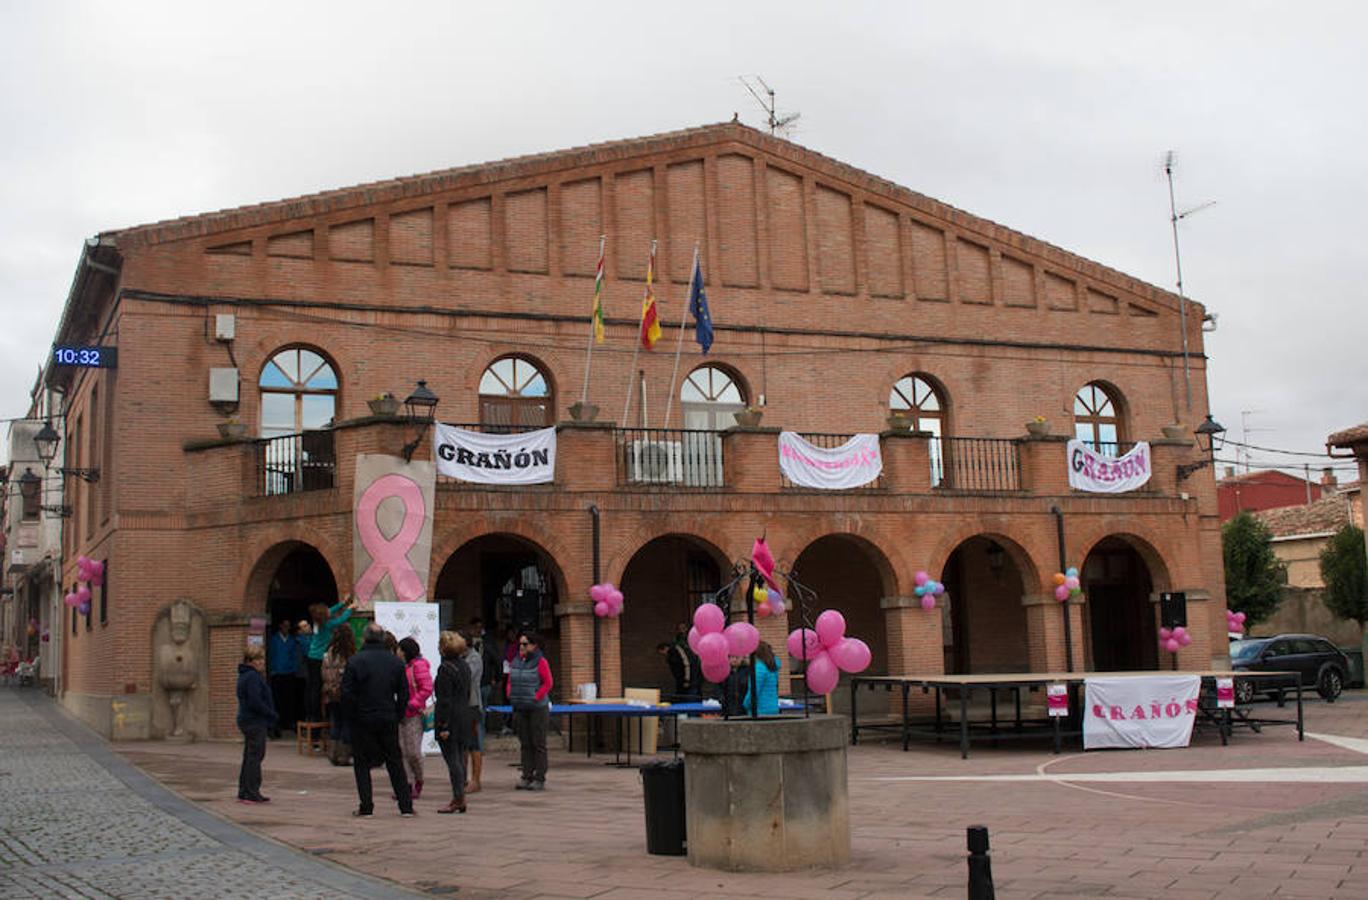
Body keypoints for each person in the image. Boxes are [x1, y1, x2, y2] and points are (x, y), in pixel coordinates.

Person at [341, 622, 413, 817]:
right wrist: (397, 714)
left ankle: (366, 806)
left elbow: (347, 693)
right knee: (394, 761)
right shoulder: (395, 662)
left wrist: (352, 716)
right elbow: (404, 693)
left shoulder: (355, 661)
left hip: (362, 718)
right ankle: (405, 805)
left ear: (364, 638)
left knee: (362, 763)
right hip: (388, 716)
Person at [432, 631, 474, 813]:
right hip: (464, 715)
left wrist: (443, 725)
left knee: (453, 760)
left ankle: (458, 797)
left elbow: (444, 700)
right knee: (460, 757)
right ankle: (460, 795)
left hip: (451, 718)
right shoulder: (464, 666)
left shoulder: (445, 669)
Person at [508, 632, 553, 790]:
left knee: (538, 743)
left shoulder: (541, 662)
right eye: (520, 644)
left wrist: (536, 696)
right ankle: (526, 775)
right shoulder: (515, 662)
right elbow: (510, 680)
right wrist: (510, 693)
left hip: (537, 708)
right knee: (525, 743)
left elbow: (548, 683)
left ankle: (539, 777)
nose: (521, 647)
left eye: (525, 644)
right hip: (520, 707)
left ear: (534, 646)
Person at [235, 645, 277, 804]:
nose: (262, 662)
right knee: (255, 756)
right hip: (254, 720)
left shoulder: (244, 675)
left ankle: (244, 790)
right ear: (250, 661)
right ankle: (252, 791)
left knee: (249, 756)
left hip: (247, 719)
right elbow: (255, 701)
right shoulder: (252, 677)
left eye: (262, 659)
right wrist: (270, 713)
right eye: (259, 659)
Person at [305, 597, 353, 722]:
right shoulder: (327, 624)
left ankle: (310, 714)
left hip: (311, 656)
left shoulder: (318, 620)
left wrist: (342, 603)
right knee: (318, 687)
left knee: (312, 686)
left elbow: (329, 611)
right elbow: (341, 620)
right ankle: (316, 716)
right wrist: (349, 609)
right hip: (319, 658)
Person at [398, 636, 433, 800]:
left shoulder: (418, 666)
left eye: (399, 649)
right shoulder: (403, 666)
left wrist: (413, 703)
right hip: (401, 713)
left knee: (412, 751)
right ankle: (407, 785)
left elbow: (426, 688)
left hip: (413, 713)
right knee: (402, 750)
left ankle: (418, 779)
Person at [320, 624, 357, 766]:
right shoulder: (348, 654)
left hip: (330, 693)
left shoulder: (328, 653)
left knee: (335, 722)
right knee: (347, 723)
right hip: (345, 693)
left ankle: (333, 754)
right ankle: (344, 755)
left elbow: (323, 673)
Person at [266, 619, 300, 738]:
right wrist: (272, 670)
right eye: (285, 625)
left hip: (289, 673)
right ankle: (277, 724)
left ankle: (288, 722)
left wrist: (294, 669)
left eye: (288, 626)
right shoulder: (274, 640)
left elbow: (295, 656)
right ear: (280, 626)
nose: (287, 628)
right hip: (277, 674)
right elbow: (270, 655)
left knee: (290, 699)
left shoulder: (292, 640)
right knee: (276, 700)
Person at [461, 630, 485, 794]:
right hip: (459, 705)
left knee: (473, 743)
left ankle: (476, 779)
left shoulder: (474, 658)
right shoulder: (459, 658)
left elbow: (466, 677)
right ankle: (462, 777)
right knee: (461, 744)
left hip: (472, 705)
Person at [742, 641, 782, 716]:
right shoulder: (771, 667)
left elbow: (754, 692)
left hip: (760, 710)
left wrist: (745, 704)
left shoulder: (758, 668)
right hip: (773, 707)